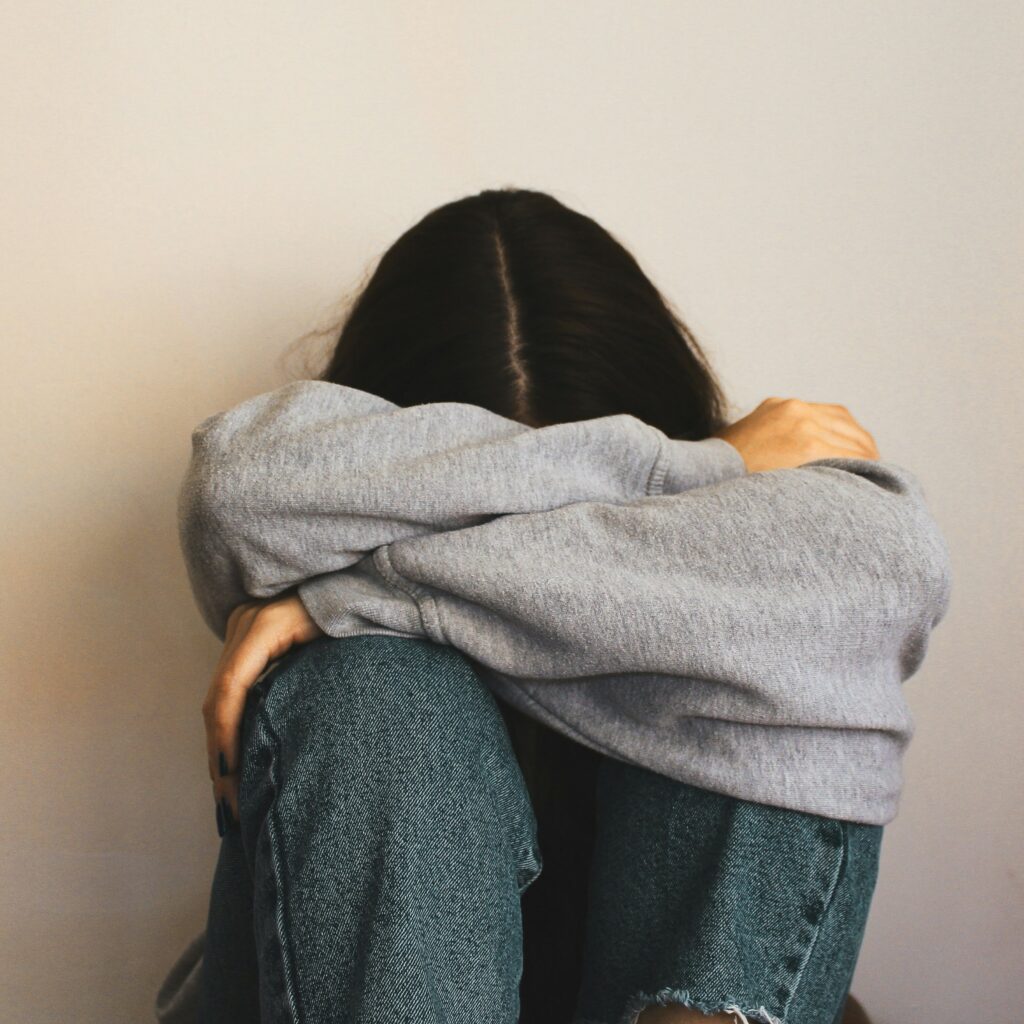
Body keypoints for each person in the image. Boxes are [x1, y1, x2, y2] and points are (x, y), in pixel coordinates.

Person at [158, 188, 951, 1024]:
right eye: (489, 494)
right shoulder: (703, 475)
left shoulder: (343, 574)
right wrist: (692, 472)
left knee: (763, 652)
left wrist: (360, 587)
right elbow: (234, 488)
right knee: (369, 688)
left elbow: (891, 563)